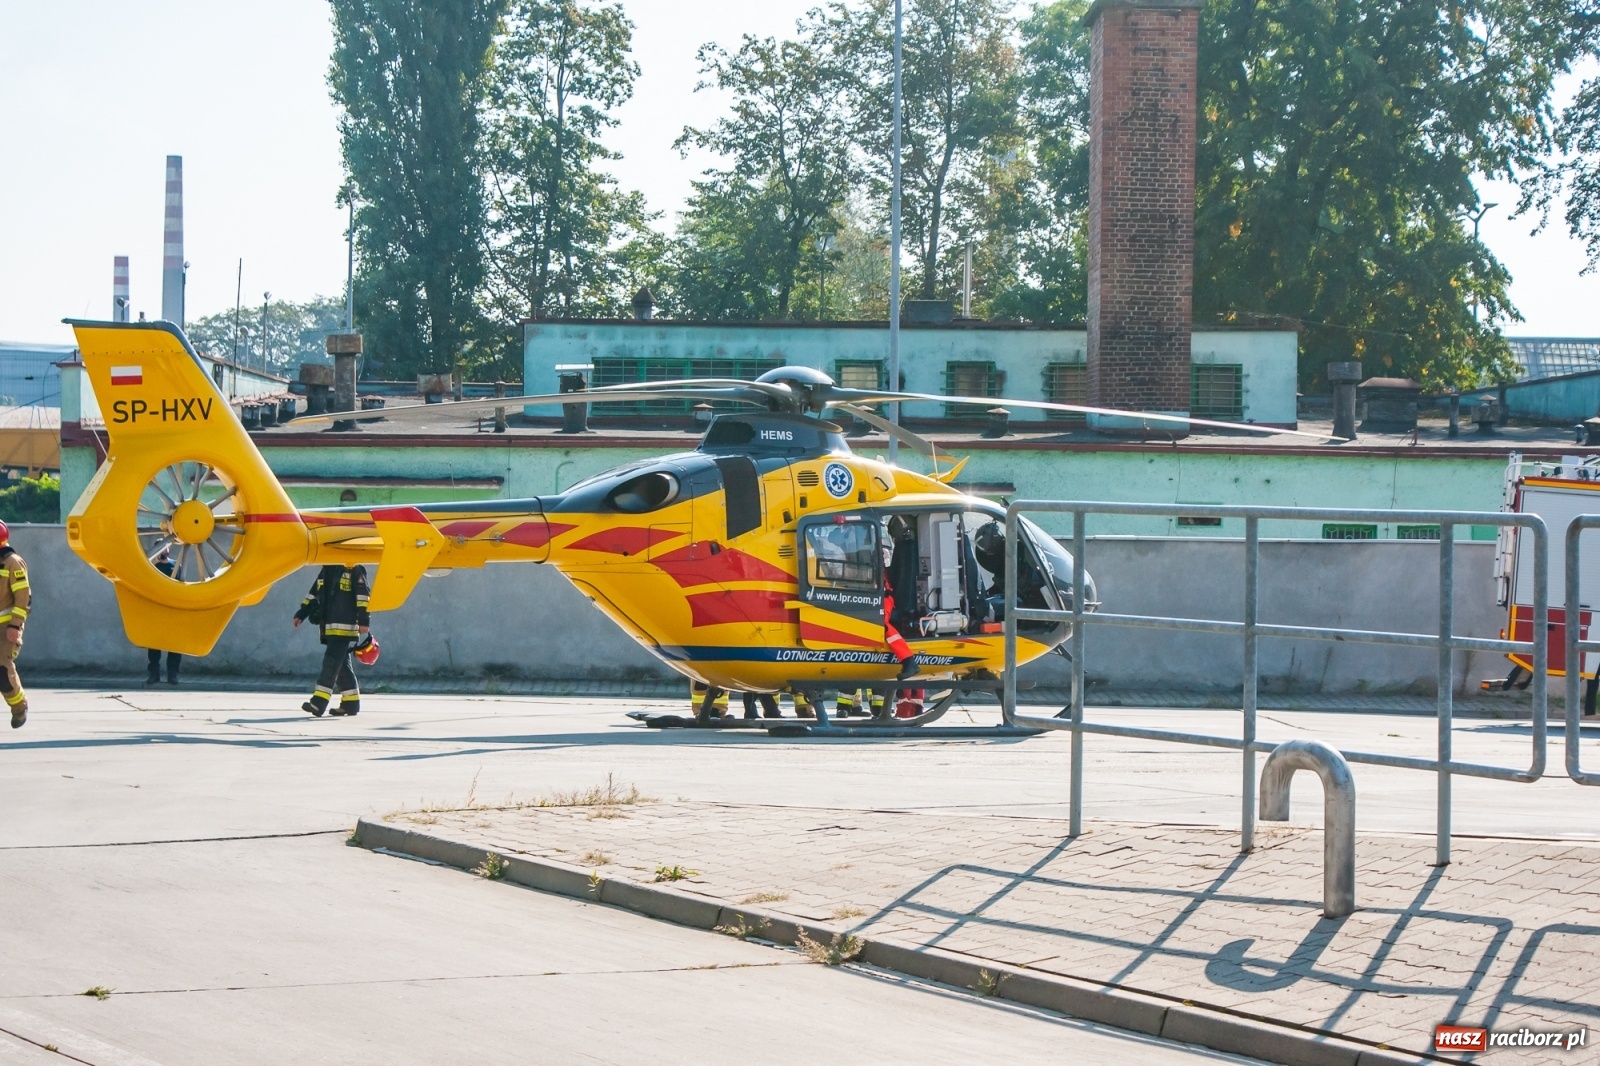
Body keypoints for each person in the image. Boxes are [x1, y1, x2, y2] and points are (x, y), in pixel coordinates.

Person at [293, 564, 370, 717]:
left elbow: (363, 597)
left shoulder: (355, 568)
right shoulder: (327, 568)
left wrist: (364, 622)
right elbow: (314, 594)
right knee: (341, 665)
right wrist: (301, 613)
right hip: (330, 627)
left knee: (331, 662)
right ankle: (351, 703)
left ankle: (318, 703)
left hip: (346, 627)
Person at [0, 521, 29, 728]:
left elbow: (24, 597)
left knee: (2, 672)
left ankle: (19, 707)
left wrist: (15, 626)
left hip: (6, 629)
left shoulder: (12, 562)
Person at [146, 548, 182, 685]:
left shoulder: (175, 565)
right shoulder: (151, 566)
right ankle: (154, 674)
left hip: (172, 608)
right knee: (154, 644)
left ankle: (173, 674)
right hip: (156, 609)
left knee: (174, 645)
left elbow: (180, 583)